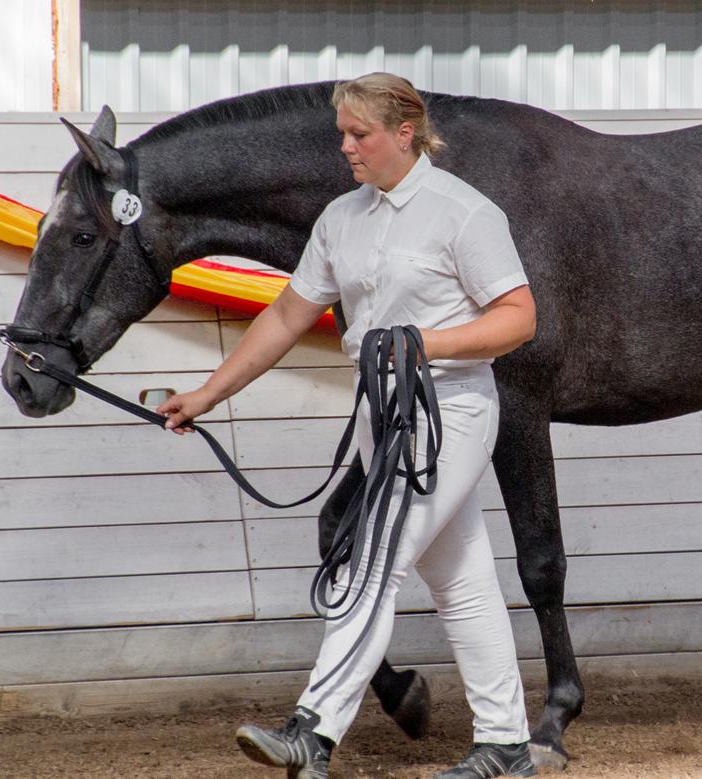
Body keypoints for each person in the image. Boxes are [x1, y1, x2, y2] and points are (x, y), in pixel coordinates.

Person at [158, 73, 537, 779]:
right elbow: (284, 316)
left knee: (373, 563)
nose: (346, 147)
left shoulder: (465, 213)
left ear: (404, 133)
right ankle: (508, 743)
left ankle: (314, 727)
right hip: (379, 412)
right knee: (463, 580)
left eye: (359, 134)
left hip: (447, 408)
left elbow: (519, 317)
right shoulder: (341, 218)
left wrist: (424, 339)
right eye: (342, 133)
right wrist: (209, 393)